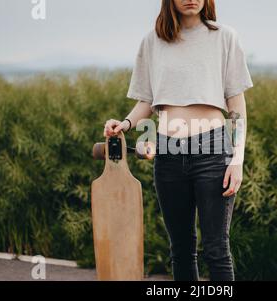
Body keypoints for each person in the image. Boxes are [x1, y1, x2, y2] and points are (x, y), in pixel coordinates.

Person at [103, 0, 253, 281]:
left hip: (213, 150)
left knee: (216, 249)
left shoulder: (224, 37)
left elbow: (237, 105)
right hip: (168, 155)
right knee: (181, 250)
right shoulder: (152, 42)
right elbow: (146, 101)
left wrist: (238, 158)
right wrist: (123, 124)